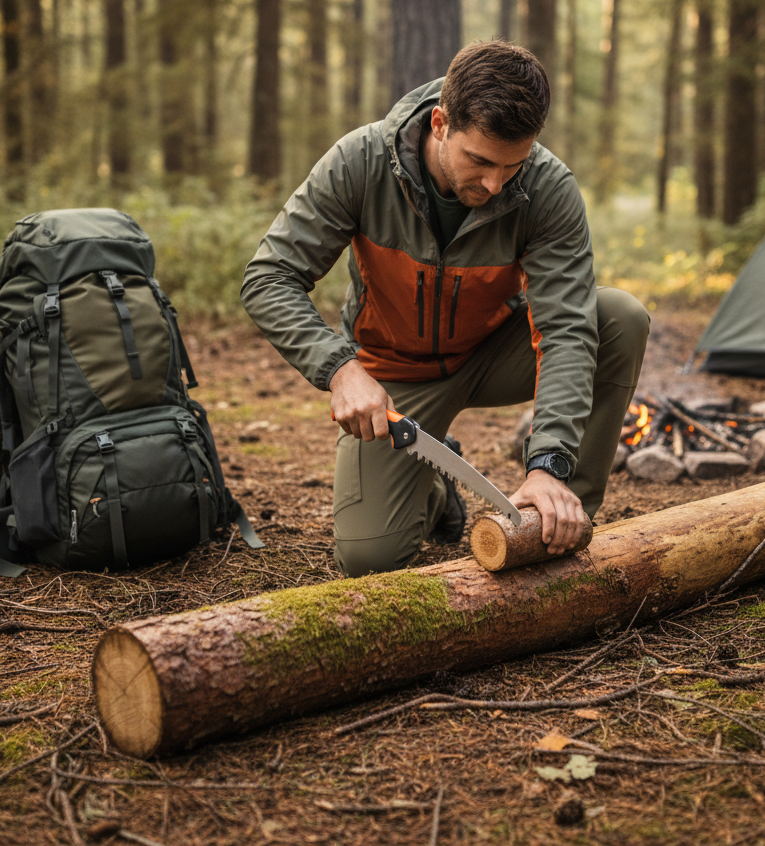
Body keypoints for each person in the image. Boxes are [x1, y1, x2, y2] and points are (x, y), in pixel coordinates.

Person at [241, 41, 649, 577]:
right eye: (479, 161)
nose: (495, 183)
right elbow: (269, 276)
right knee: (371, 560)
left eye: (513, 165)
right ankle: (435, 485)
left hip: (493, 352)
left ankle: (554, 516)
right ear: (440, 122)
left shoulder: (548, 189)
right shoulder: (359, 163)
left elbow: (567, 331)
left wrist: (549, 461)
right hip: (395, 377)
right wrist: (340, 369)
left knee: (618, 317)